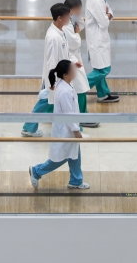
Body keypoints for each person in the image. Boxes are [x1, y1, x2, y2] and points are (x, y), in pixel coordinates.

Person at [29, 60, 89, 189]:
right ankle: (36, 171)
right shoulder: (64, 91)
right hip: (65, 131)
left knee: (74, 155)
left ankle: (76, 181)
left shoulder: (64, 85)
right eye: (73, 70)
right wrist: (77, 131)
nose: (75, 72)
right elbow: (68, 115)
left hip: (68, 129)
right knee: (60, 158)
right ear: (66, 75)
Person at [22, 3, 80, 137]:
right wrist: (53, 82)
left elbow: (65, 51)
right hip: (54, 77)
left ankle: (29, 126)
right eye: (67, 16)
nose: (69, 19)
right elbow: (52, 61)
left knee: (46, 102)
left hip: (57, 76)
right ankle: (28, 127)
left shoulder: (60, 32)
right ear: (60, 18)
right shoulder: (53, 37)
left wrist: (74, 61)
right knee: (44, 102)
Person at [63, 0, 99, 128]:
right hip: (71, 58)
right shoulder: (66, 24)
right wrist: (77, 33)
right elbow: (74, 43)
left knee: (80, 87)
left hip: (74, 57)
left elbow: (81, 25)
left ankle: (81, 114)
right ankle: (81, 116)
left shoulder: (71, 19)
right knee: (80, 88)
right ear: (71, 10)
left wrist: (77, 20)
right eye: (78, 9)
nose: (80, 11)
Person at [85, 0, 120, 104]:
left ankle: (103, 94)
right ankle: (77, 87)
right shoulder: (95, 0)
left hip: (99, 38)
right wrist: (109, 15)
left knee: (99, 68)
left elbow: (109, 10)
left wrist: (108, 13)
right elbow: (104, 22)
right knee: (104, 69)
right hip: (97, 39)